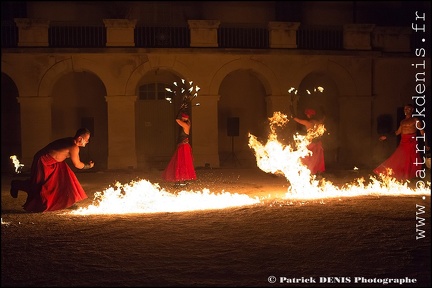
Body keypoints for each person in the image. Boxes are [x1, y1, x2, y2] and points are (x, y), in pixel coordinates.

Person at [10, 128, 95, 212]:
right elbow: (77, 164)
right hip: (43, 160)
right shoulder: (74, 147)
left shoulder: (70, 141)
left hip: (54, 162)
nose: (87, 142)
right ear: (80, 138)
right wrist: (89, 166)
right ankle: (17, 184)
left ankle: (67, 202)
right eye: (87, 140)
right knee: (39, 185)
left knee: (65, 179)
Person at [374, 104, 429, 180]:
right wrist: (386, 136)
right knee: (397, 158)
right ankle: (397, 175)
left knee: (410, 159)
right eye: (405, 109)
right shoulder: (402, 122)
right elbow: (397, 132)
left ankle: (410, 177)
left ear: (412, 110)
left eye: (408, 109)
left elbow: (422, 132)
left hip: (411, 142)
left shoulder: (415, 120)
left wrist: (426, 144)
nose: (406, 110)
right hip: (403, 142)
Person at [162, 112, 197, 186]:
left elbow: (177, 120)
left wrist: (179, 111)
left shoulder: (185, 125)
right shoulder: (186, 124)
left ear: (186, 118)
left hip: (184, 147)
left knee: (181, 163)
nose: (182, 118)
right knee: (181, 162)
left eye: (183, 117)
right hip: (183, 146)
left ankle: (181, 180)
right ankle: (182, 180)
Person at [292, 108, 326, 175]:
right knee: (317, 158)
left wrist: (292, 112)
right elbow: (323, 118)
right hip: (318, 143)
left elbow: (296, 119)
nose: (306, 115)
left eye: (307, 114)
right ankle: (317, 172)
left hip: (311, 143)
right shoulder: (318, 122)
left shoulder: (307, 123)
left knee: (305, 157)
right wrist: (323, 112)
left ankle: (307, 172)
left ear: (309, 115)